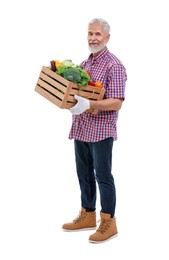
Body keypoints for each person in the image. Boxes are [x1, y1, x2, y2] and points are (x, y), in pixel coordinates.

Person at [62, 18, 127, 243]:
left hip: (101, 131)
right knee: (84, 174)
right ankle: (88, 214)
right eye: (90, 33)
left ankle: (109, 222)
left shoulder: (114, 65)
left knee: (103, 175)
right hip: (81, 128)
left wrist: (90, 105)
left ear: (107, 38)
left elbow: (117, 101)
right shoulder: (84, 64)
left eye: (98, 34)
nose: (93, 38)